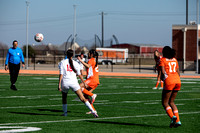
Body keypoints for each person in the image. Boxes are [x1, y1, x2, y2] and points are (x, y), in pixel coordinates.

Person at [58, 49, 98, 117]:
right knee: (82, 98)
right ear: (73, 55)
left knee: (64, 98)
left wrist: (59, 84)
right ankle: (93, 111)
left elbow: (61, 74)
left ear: (66, 55)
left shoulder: (62, 62)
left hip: (65, 82)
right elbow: (79, 74)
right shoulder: (76, 63)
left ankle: (65, 113)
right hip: (74, 82)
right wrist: (83, 82)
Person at [159, 46, 181, 128]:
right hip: (177, 81)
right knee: (172, 102)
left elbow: (163, 72)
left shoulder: (163, 60)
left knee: (165, 102)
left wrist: (163, 79)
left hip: (169, 81)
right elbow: (178, 72)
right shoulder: (175, 59)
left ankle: (173, 117)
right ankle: (178, 121)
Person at [77, 49, 99, 114]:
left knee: (79, 87)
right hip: (95, 80)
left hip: (92, 79)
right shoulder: (93, 60)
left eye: (89, 53)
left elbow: (88, 66)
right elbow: (90, 70)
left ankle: (93, 95)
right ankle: (93, 110)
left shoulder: (91, 60)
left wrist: (80, 61)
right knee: (85, 96)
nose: (88, 54)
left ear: (91, 54)